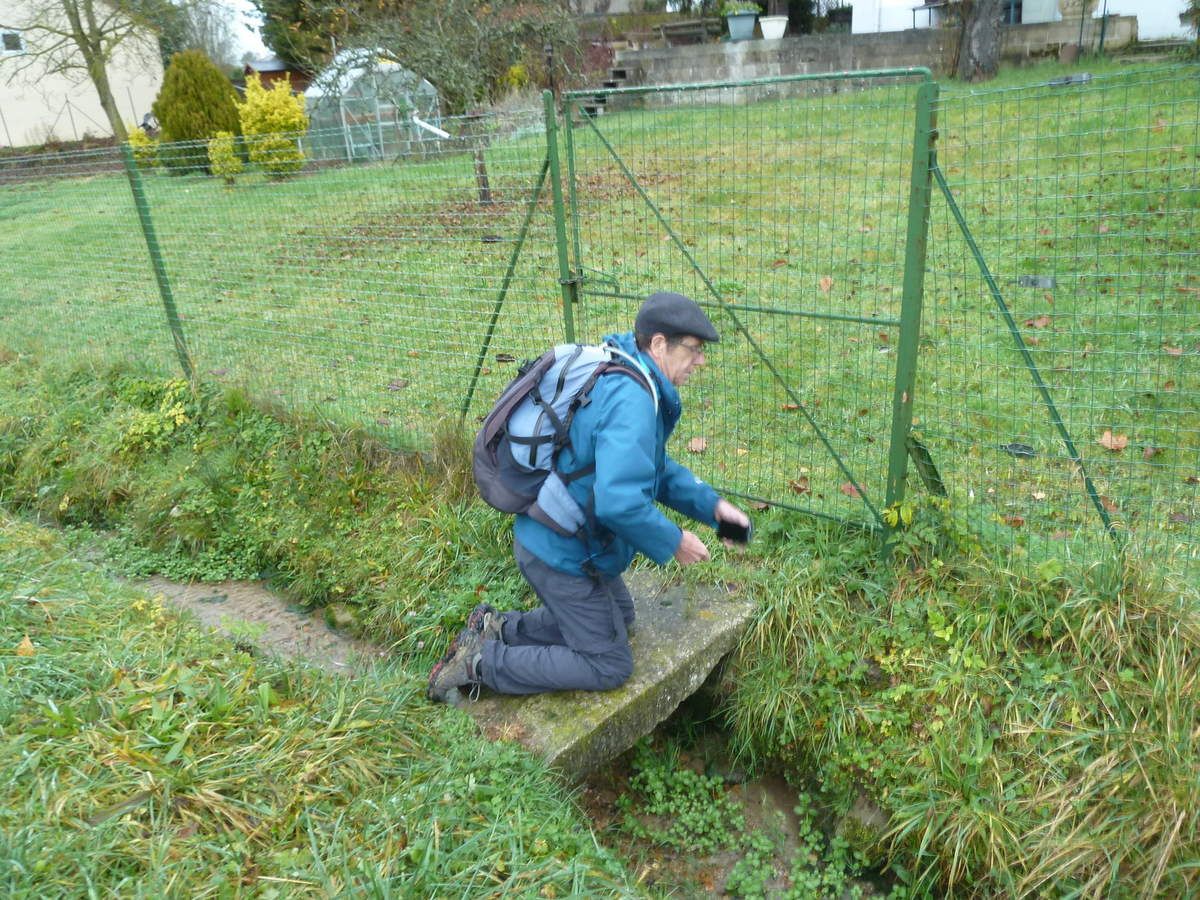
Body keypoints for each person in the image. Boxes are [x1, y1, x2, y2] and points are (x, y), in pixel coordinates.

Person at [428, 291, 750, 703]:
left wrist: (714, 509)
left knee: (623, 618)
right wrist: (674, 541)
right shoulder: (632, 399)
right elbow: (618, 502)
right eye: (694, 349)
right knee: (609, 664)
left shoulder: (624, 371)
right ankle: (480, 664)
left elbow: (651, 468)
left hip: (564, 537)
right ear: (657, 344)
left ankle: (497, 627)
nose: (700, 361)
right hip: (561, 554)